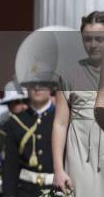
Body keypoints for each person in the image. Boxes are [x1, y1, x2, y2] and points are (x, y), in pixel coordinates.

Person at [52, 11, 104, 195]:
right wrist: (58, 170)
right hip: (81, 154)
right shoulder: (68, 74)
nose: (93, 44)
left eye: (99, 39)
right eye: (88, 39)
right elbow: (60, 123)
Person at [3, 83, 55, 197]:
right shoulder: (16, 122)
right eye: (32, 84)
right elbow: (10, 168)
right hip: (26, 191)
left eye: (42, 83)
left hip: (55, 189)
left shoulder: (60, 119)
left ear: (51, 87)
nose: (37, 88)